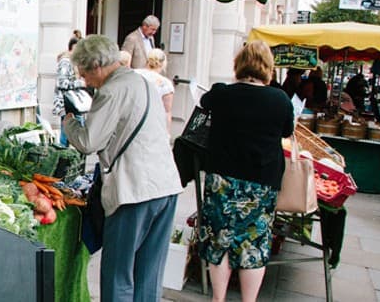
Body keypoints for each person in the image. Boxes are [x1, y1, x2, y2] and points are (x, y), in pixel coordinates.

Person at [64, 35, 183, 302]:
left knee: (119, 274)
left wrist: (69, 124)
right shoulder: (144, 82)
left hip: (134, 190)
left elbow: (88, 141)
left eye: (85, 74)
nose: (85, 81)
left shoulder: (111, 90)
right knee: (149, 274)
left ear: (96, 66)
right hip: (165, 186)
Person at [197, 41, 294, 302]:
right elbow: (286, 131)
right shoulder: (280, 100)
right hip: (261, 182)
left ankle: (219, 298)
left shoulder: (222, 94)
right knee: (255, 241)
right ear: (268, 67)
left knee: (220, 239)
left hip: (222, 179)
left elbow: (204, 101)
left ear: (239, 65)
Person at [52, 40, 86, 147]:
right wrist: (80, 83)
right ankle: (63, 158)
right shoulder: (65, 62)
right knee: (66, 134)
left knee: (74, 131)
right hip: (66, 103)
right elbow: (61, 83)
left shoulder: (74, 62)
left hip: (73, 102)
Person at [135, 48, 175, 128]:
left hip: (133, 118)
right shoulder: (165, 84)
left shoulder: (134, 74)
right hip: (152, 123)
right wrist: (167, 135)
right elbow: (166, 112)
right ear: (163, 63)